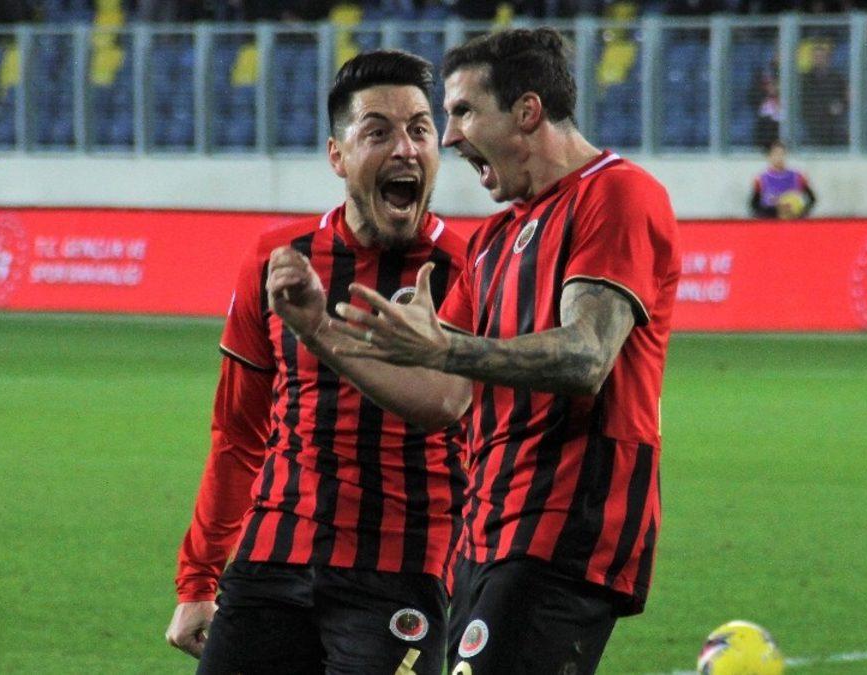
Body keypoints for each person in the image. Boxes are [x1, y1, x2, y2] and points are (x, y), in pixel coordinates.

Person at [269, 27, 680, 675]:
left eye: (462, 111)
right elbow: (441, 398)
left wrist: (446, 348)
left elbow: (585, 357)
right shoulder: (492, 240)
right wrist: (318, 329)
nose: (450, 135)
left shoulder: (616, 194)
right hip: (485, 533)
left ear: (527, 111)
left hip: (567, 523)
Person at [166, 49, 469, 675]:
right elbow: (238, 433)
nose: (406, 148)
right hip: (272, 557)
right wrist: (199, 577)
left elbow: (469, 423)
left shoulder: (470, 269)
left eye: (419, 129)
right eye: (378, 132)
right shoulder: (277, 261)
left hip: (403, 566)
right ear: (337, 156)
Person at [750, 139, 817, 218]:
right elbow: (754, 205)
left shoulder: (798, 176)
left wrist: (801, 213)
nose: (779, 158)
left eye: (782, 154)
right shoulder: (761, 179)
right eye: (775, 154)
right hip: (771, 220)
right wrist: (774, 212)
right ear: (769, 157)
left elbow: (812, 199)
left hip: (794, 220)